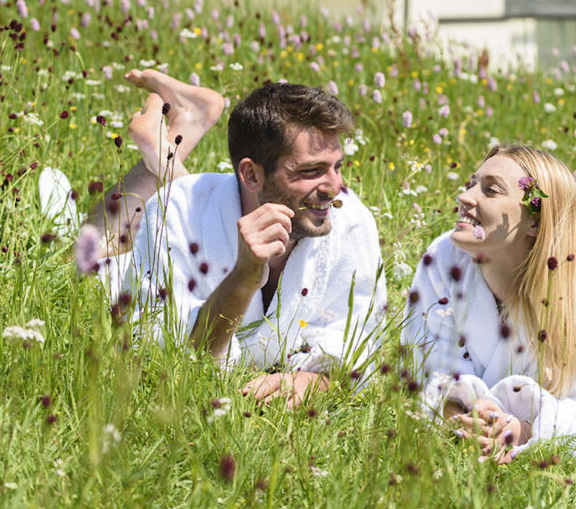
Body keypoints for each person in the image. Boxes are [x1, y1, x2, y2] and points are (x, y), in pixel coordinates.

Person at [68, 71, 387, 408]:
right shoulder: (175, 209)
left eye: (337, 166)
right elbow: (180, 353)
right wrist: (243, 277)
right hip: (131, 274)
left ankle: (171, 144)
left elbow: (358, 339)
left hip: (216, 199)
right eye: (311, 171)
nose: (334, 187)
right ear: (251, 174)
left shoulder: (352, 221)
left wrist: (317, 380)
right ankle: (167, 147)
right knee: (91, 256)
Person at [402, 117, 576, 461]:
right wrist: (459, 414)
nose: (464, 196)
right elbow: (424, 364)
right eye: (471, 183)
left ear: (535, 221)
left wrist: (527, 430)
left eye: (490, 189)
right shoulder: (443, 258)